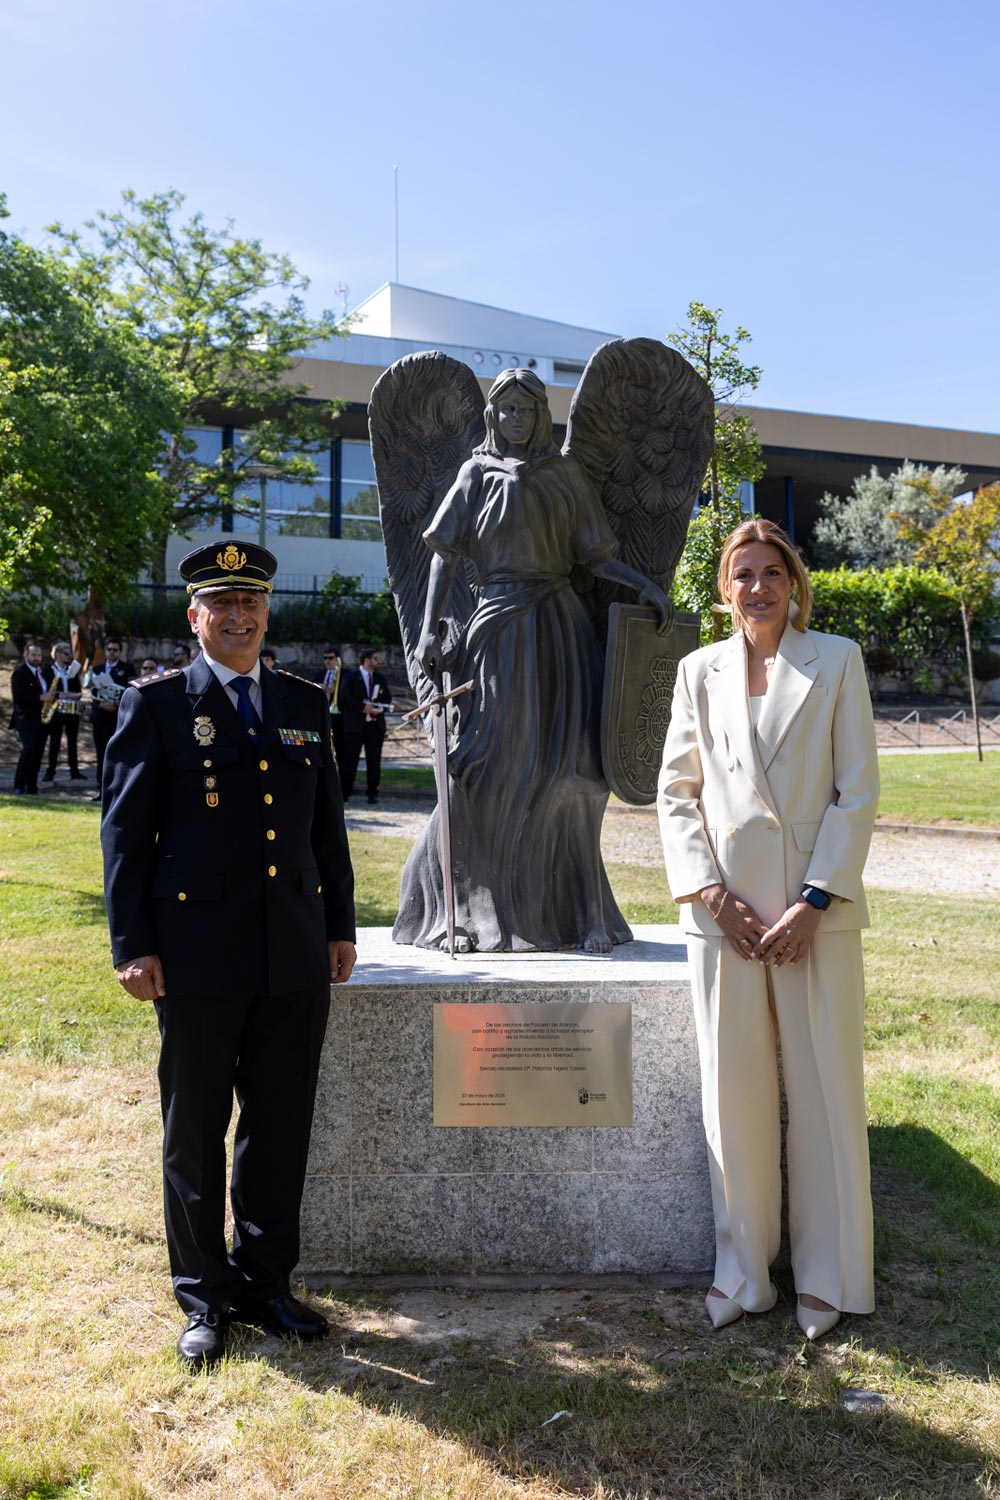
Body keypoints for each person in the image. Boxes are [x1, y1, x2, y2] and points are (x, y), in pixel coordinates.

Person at [101, 540, 357, 1371]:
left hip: (292, 951)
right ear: (195, 617)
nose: (239, 616)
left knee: (280, 1125)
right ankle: (204, 1295)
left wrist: (340, 926)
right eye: (222, 603)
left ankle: (266, 1283)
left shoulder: (302, 700)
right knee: (196, 1127)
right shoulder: (157, 705)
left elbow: (325, 827)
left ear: (267, 611)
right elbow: (125, 838)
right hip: (197, 956)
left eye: (251, 602)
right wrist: (132, 944)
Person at [657, 518, 879, 1341]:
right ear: (725, 588)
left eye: (772, 573)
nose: (758, 587)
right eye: (743, 573)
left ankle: (830, 1275)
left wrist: (814, 901)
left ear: (794, 584)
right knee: (734, 1095)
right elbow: (676, 792)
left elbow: (858, 791)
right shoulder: (697, 671)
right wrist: (711, 896)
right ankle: (744, 1272)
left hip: (813, 915)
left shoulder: (838, 660)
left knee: (824, 1094)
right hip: (725, 918)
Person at [397, 367, 669, 953]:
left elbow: (595, 556)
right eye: (507, 409)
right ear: (492, 414)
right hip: (496, 628)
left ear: (541, 414)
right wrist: (426, 628)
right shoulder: (475, 473)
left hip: (559, 628)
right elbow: (443, 553)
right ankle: (466, 906)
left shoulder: (564, 473)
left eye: (526, 409)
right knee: (479, 763)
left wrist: (644, 584)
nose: (516, 419)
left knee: (569, 764)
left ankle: (577, 912)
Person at [339, 647, 392, 804]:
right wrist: (363, 707)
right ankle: (344, 792)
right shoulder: (351, 677)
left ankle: (372, 792)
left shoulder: (380, 678)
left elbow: (387, 698)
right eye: (375, 658)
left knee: (374, 760)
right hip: (355, 726)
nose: (378, 661)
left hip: (375, 726)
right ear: (366, 660)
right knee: (350, 760)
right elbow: (344, 698)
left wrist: (379, 708)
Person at [89, 638, 138, 798]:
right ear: (105, 651)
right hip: (100, 717)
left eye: (115, 650)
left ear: (120, 652)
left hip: (117, 718)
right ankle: (101, 788)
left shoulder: (128, 668)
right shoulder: (97, 669)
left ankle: (117, 789)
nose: (112, 652)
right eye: (109, 649)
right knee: (101, 754)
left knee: (118, 754)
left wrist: (117, 703)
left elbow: (132, 691)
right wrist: (100, 704)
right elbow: (91, 693)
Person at [10, 643, 50, 795]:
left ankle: (32, 786)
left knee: (38, 754)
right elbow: (19, 698)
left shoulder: (42, 673)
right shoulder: (20, 673)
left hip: (42, 719)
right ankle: (19, 785)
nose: (36, 658)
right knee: (28, 750)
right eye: (33, 655)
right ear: (25, 656)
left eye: (39, 655)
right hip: (26, 720)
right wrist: (41, 698)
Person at [42, 641, 85, 782]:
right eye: (66, 653)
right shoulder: (48, 670)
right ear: (57, 654)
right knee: (55, 741)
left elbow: (78, 690)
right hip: (56, 710)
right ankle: (50, 771)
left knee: (73, 741)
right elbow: (46, 690)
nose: (69, 656)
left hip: (71, 710)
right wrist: (61, 695)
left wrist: (76, 695)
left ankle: (74, 771)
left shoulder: (72, 670)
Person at [317, 646, 345, 765]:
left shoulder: (344, 675)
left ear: (337, 659)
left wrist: (334, 690)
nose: (327, 661)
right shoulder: (320, 674)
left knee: (340, 747)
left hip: (338, 716)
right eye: (325, 658)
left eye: (330, 658)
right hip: (323, 714)